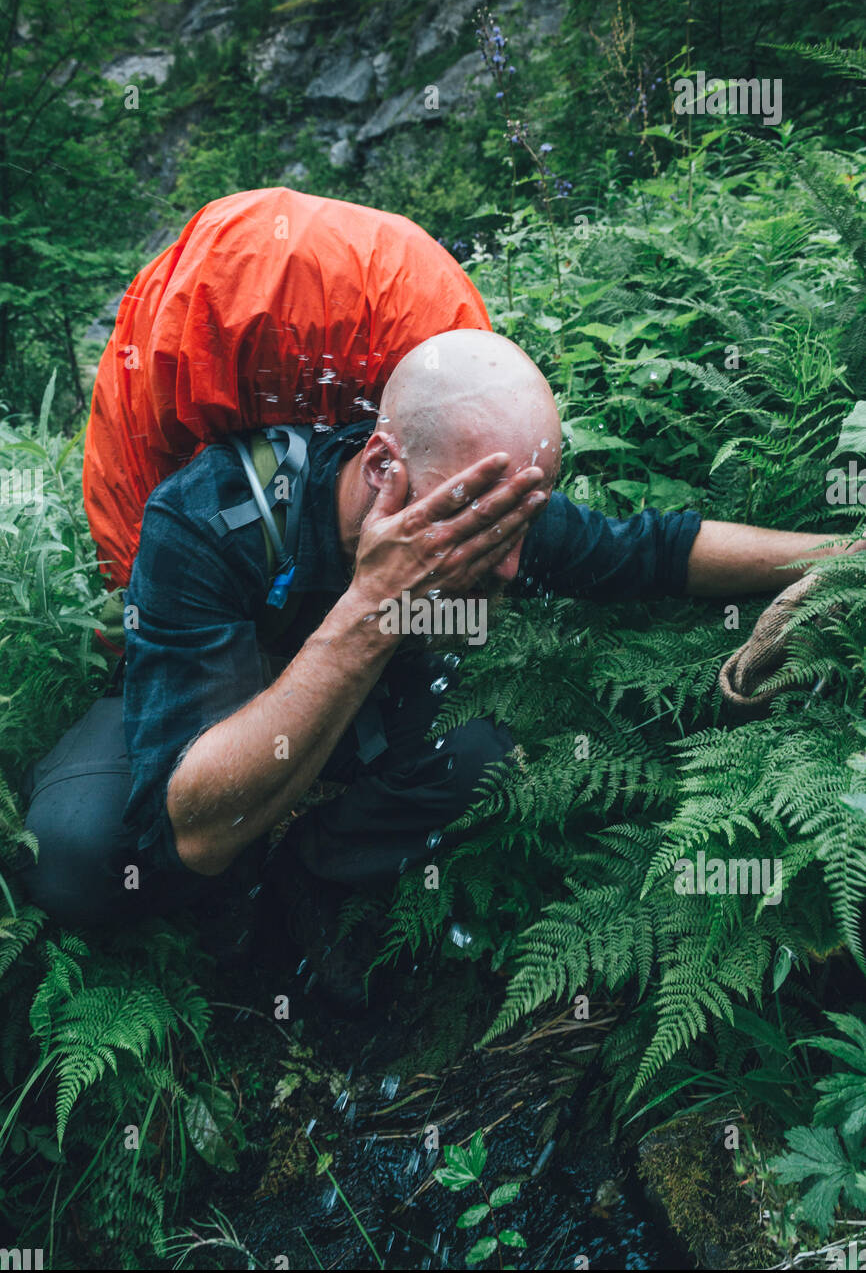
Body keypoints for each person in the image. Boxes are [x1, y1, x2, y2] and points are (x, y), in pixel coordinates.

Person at [18, 326, 858, 1006]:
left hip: (349, 722)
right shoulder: (211, 515)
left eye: (523, 523)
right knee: (75, 853)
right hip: (198, 703)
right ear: (384, 467)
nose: (508, 565)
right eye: (486, 526)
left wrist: (845, 555)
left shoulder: (481, 501)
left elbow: (657, 553)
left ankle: (308, 872)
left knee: (478, 758)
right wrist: (372, 606)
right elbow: (193, 826)